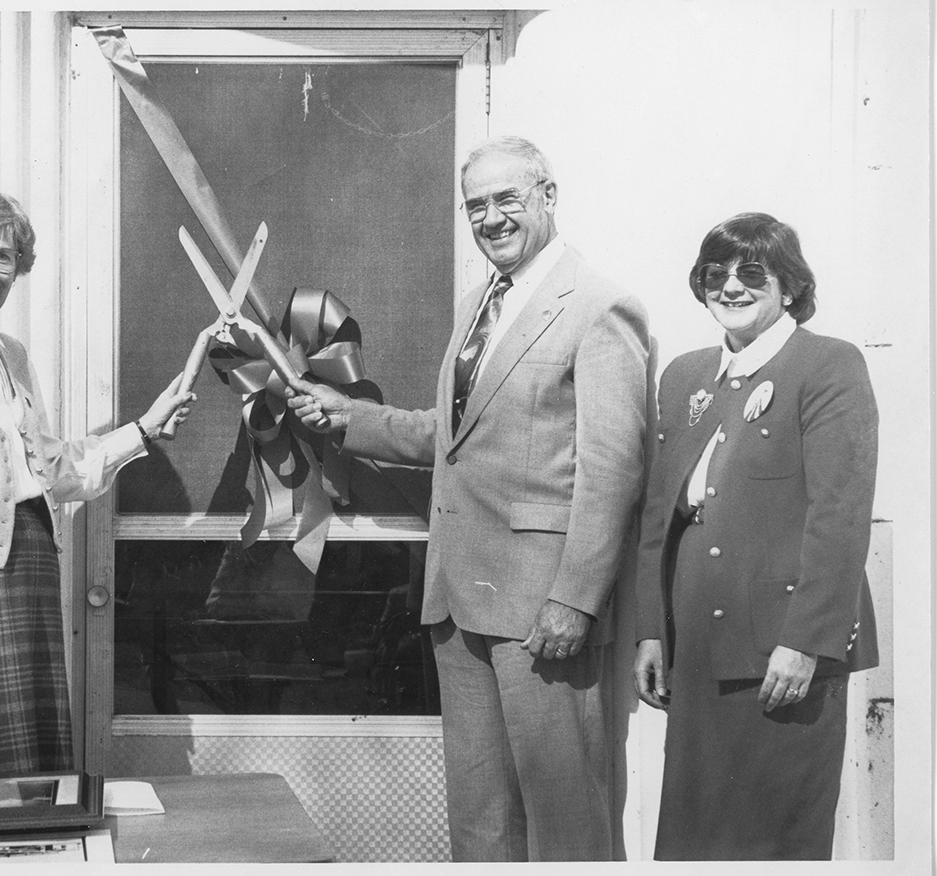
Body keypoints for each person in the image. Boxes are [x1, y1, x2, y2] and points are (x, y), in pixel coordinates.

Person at [287, 136, 649, 861]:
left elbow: (615, 470)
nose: (491, 218)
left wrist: (574, 601)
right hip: (461, 597)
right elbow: (454, 437)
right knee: (481, 821)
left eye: (506, 199)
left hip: (542, 608)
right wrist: (348, 417)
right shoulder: (480, 304)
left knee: (566, 820)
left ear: (548, 195)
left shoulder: (600, 307)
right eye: (475, 205)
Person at [0, 186, 194, 777]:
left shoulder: (12, 354)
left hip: (30, 565)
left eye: (2, 257)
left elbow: (51, 472)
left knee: (32, 762)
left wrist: (144, 431)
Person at [632, 212, 879, 860]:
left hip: (782, 654)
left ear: (790, 285)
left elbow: (840, 518)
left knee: (777, 846)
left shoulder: (828, 365)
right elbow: (660, 517)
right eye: (716, 275)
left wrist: (804, 643)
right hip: (697, 651)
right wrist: (651, 630)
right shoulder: (685, 375)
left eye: (751, 273)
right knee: (693, 843)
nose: (731, 287)